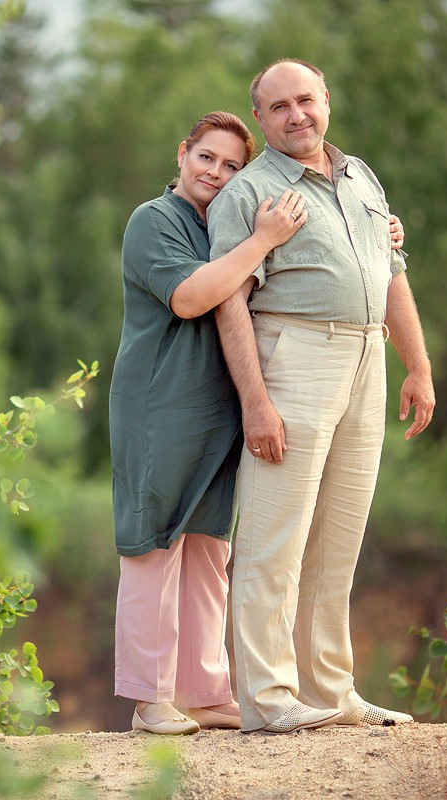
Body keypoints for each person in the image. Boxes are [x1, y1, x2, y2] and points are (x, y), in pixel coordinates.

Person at [110, 110, 406, 735]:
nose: (216, 174)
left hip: (217, 407)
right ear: (182, 153)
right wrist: (263, 240)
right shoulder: (153, 221)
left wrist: (372, 232)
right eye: (206, 158)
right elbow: (192, 297)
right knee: (154, 545)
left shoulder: (217, 218)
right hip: (160, 407)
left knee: (210, 547)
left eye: (231, 166)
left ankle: (205, 692)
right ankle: (148, 699)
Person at [207, 59, 436, 734]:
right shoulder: (249, 194)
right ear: (260, 119)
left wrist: (417, 366)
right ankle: (268, 697)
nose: (296, 115)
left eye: (305, 100)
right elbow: (229, 303)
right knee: (274, 540)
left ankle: (331, 692)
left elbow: (391, 273)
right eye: (278, 107)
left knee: (339, 540)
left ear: (326, 101)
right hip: (293, 357)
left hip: (367, 356)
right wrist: (256, 403)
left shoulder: (361, 176)